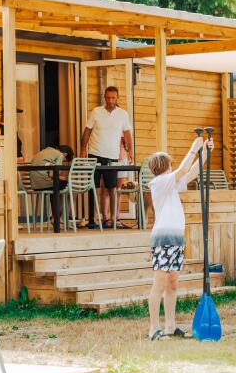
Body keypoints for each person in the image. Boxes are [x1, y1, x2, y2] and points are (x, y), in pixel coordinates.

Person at [147, 136, 213, 340]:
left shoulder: (171, 183)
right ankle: (153, 329)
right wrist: (194, 148)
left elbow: (191, 173)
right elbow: (184, 169)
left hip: (176, 239)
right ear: (165, 166)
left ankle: (170, 326)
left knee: (173, 283)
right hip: (163, 239)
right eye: (170, 164)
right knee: (160, 283)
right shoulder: (159, 183)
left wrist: (204, 151)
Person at [80, 86, 133, 229]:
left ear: (117, 98)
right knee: (94, 187)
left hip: (112, 156)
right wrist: (83, 149)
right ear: (104, 97)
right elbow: (87, 130)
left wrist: (130, 151)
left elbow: (127, 133)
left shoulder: (122, 114)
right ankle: (95, 219)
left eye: (113, 98)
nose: (110, 100)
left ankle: (114, 218)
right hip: (94, 153)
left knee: (112, 188)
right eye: (108, 97)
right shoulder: (96, 111)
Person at [30, 144, 74, 223]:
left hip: (34, 185)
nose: (62, 162)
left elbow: (49, 173)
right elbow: (52, 174)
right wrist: (65, 178)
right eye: (64, 161)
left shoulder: (43, 152)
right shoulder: (59, 155)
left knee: (56, 189)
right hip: (44, 183)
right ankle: (60, 217)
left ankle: (55, 217)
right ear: (65, 154)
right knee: (70, 187)